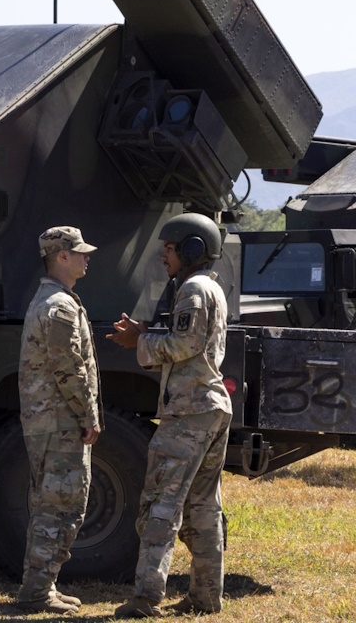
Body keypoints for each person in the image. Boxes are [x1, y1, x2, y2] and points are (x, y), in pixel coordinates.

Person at [108, 212, 232, 618]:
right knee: (202, 507)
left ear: (192, 250)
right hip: (209, 408)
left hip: (189, 411)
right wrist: (147, 330)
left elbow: (185, 344)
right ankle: (206, 597)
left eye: (169, 248)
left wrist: (140, 340)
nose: (163, 255)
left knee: (161, 503)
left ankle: (146, 597)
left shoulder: (192, 289)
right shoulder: (208, 288)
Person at [15, 226, 103, 614]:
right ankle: (37, 592)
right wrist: (88, 415)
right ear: (61, 257)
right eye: (80, 252)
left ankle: (42, 586)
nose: (87, 257)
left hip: (51, 421)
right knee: (60, 507)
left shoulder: (54, 300)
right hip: (59, 422)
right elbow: (69, 367)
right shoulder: (59, 307)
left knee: (53, 505)